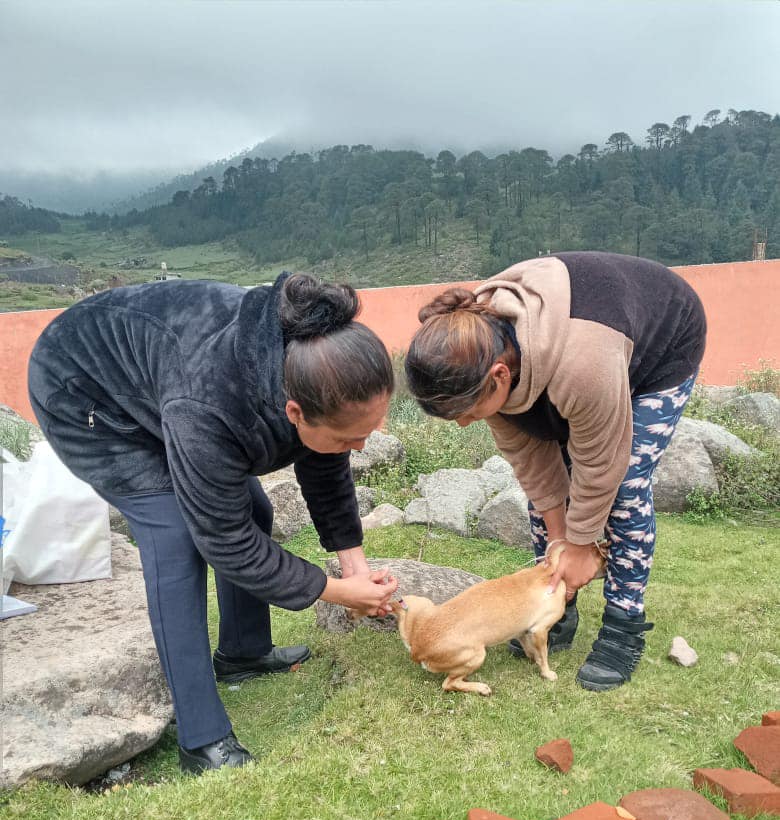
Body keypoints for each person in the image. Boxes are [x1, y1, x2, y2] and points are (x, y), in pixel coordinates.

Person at [28, 272, 398, 773]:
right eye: (349, 439)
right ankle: (202, 740)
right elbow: (228, 542)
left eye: (366, 435)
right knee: (176, 537)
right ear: (294, 410)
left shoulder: (312, 365)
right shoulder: (210, 403)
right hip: (85, 394)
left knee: (256, 508)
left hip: (163, 383)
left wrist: (354, 564)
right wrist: (337, 591)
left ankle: (244, 653)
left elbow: (324, 457)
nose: (358, 449)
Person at [404, 251, 706, 691]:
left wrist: (583, 545)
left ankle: (624, 622)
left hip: (657, 349)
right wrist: (562, 541)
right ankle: (553, 609)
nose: (466, 423)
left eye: (466, 413)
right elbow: (536, 469)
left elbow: (602, 463)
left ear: (500, 375)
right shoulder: (478, 348)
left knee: (625, 485)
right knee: (550, 501)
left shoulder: (582, 365)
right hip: (567, 359)